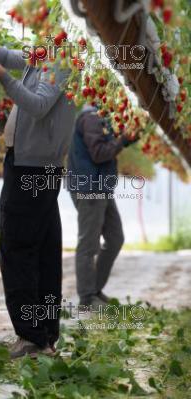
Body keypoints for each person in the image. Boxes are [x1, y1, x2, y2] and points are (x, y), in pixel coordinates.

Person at [0, 34, 76, 358]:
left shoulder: (65, 56)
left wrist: (1, 75)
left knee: (18, 246)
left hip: (33, 167)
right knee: (42, 248)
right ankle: (43, 336)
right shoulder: (51, 49)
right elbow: (18, 56)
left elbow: (39, 105)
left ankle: (31, 338)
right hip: (33, 164)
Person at [67, 104, 136, 307]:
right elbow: (98, 153)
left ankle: (94, 290)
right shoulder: (91, 118)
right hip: (89, 188)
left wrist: (130, 136)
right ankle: (87, 298)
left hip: (100, 187)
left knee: (115, 237)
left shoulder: (101, 118)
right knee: (89, 244)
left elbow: (107, 144)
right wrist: (123, 140)